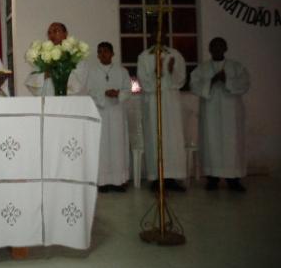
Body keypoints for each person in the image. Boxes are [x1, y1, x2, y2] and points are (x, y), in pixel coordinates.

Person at [190, 37, 250, 192]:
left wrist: (227, 80)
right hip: (210, 112)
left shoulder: (236, 67)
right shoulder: (202, 68)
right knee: (212, 143)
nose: (217, 49)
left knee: (232, 144)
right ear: (210, 49)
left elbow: (244, 84)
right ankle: (212, 178)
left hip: (231, 113)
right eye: (214, 47)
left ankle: (234, 179)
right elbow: (194, 85)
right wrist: (211, 81)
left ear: (225, 48)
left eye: (220, 46)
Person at [137, 29, 187, 192]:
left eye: (161, 34)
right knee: (154, 136)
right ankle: (156, 177)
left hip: (171, 102)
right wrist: (155, 72)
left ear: (166, 36)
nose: (158, 37)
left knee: (172, 138)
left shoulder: (175, 55)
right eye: (155, 34)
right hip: (153, 102)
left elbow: (181, 80)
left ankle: (172, 177)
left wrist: (171, 71)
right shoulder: (144, 57)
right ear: (150, 36)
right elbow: (144, 82)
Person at [87, 42, 131, 192]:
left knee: (118, 145)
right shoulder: (92, 72)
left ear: (112, 53)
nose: (103, 54)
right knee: (102, 146)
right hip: (101, 112)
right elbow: (90, 91)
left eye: (106, 51)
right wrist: (104, 94)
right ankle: (103, 181)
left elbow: (128, 90)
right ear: (98, 55)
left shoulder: (122, 71)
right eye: (100, 52)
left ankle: (119, 180)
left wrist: (118, 93)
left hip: (117, 112)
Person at [24, 22, 88, 96]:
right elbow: (32, 80)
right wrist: (45, 75)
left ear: (65, 34)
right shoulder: (44, 56)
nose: (52, 35)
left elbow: (79, 82)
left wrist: (60, 73)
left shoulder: (75, 55)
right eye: (49, 33)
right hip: (48, 99)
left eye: (55, 31)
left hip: (69, 100)